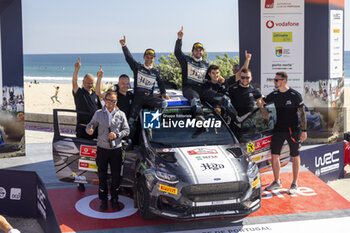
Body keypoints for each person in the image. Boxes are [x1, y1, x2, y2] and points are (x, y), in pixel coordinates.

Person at [260, 72, 307, 194]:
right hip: (278, 129)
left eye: (276, 80)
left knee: (295, 156)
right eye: (274, 80)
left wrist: (304, 131)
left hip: (293, 130)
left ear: (284, 81)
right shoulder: (274, 94)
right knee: (275, 155)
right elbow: (260, 100)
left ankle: (294, 183)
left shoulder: (294, 95)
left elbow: (302, 114)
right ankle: (277, 181)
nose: (274, 82)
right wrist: (263, 110)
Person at [86, 91, 130, 211]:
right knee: (102, 176)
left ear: (116, 101)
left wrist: (117, 135)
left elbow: (127, 130)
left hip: (116, 150)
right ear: (104, 100)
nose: (111, 103)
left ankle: (115, 199)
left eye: (113, 101)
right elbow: (90, 125)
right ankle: (103, 200)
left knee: (116, 177)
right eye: (109, 100)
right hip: (102, 150)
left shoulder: (121, 114)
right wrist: (89, 130)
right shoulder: (98, 113)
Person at [119, 35, 169, 140]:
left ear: (154, 59)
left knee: (164, 103)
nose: (149, 59)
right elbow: (129, 58)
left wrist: (164, 93)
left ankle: (152, 125)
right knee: (131, 121)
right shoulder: (138, 67)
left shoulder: (156, 70)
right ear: (144, 57)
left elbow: (160, 83)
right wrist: (124, 46)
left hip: (149, 98)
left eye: (151, 58)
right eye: (147, 57)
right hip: (138, 98)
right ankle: (129, 141)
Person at [174, 26, 209, 120]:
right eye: (196, 50)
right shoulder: (186, 60)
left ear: (203, 51)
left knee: (221, 98)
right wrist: (179, 39)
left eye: (200, 50)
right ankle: (200, 117)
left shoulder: (206, 64)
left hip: (202, 89)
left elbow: (209, 79)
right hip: (188, 89)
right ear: (192, 51)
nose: (198, 51)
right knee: (195, 99)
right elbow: (177, 52)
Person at [72, 57, 102, 140]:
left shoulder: (95, 95)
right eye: (88, 83)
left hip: (95, 129)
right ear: (83, 82)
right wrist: (76, 69)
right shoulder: (79, 93)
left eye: (91, 83)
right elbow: (74, 83)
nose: (90, 85)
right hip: (82, 129)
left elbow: (100, 110)